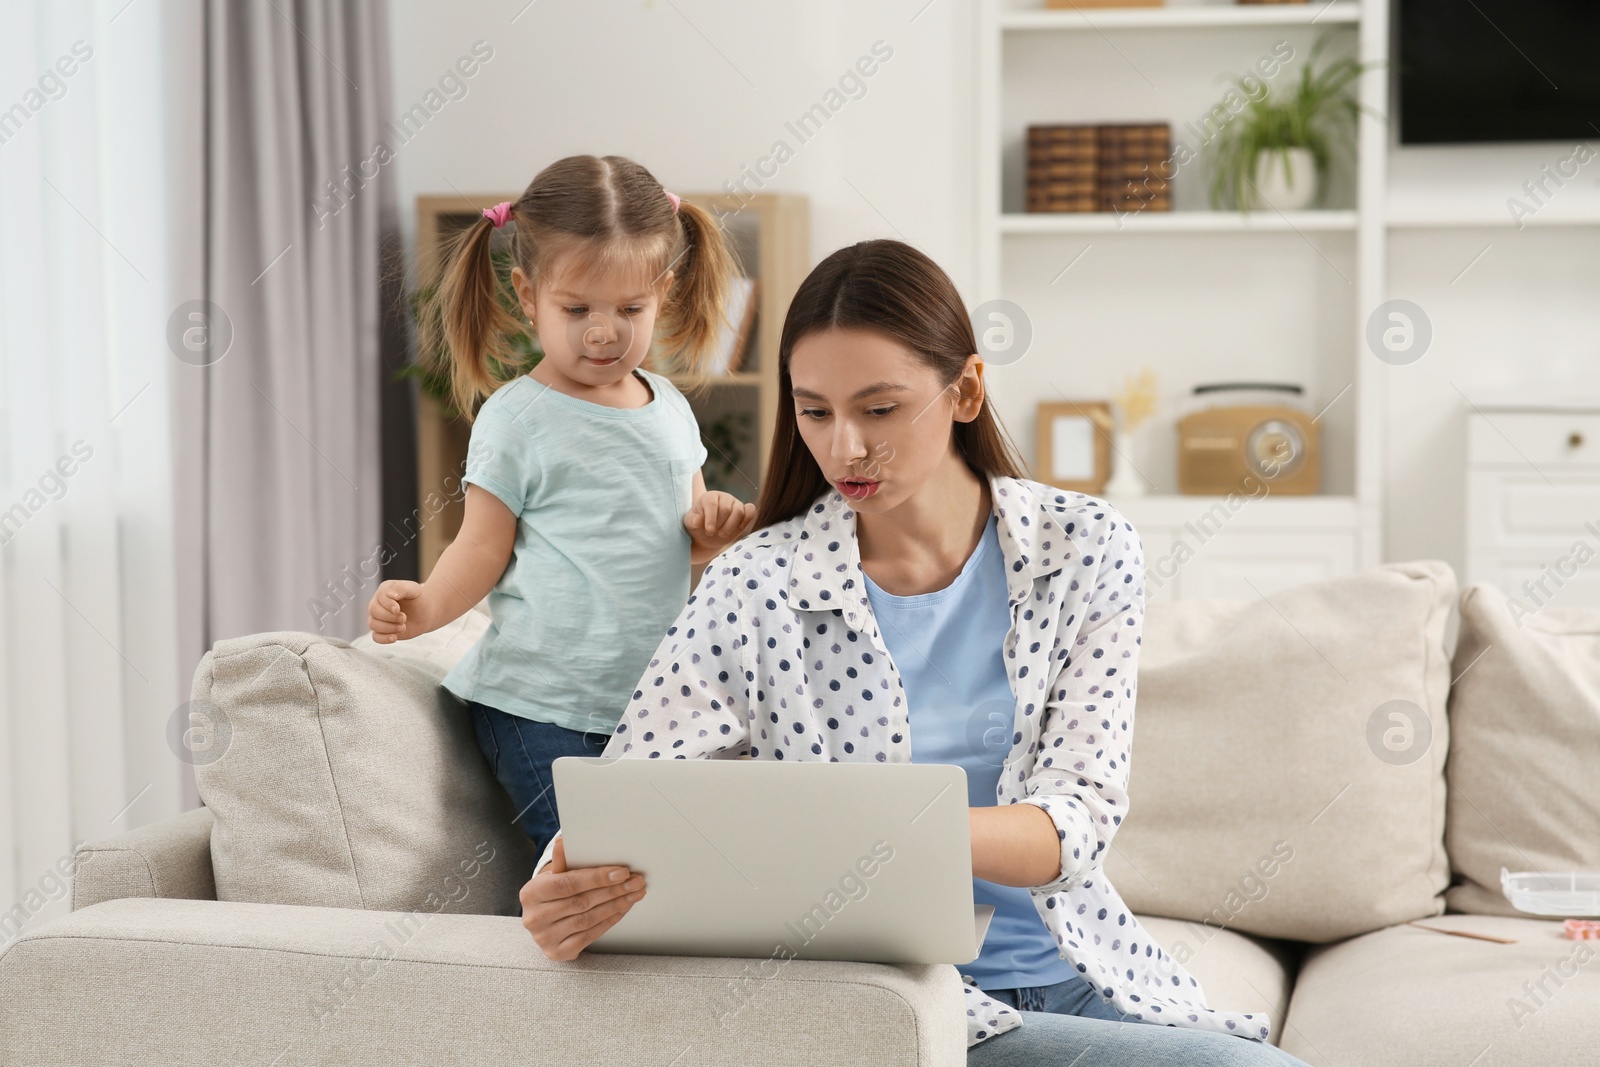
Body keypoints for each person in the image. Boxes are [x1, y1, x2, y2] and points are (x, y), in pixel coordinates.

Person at [516, 238, 1312, 1066]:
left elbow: (1074, 820)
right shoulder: (756, 581)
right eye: (815, 411)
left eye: (881, 409)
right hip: (906, 1006)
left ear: (965, 390)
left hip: (1085, 974)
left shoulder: (1084, 548)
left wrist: (870, 832)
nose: (846, 448)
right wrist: (560, 884)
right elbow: (635, 785)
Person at [365, 154, 756, 862]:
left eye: (629, 309)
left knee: (660, 869)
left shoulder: (669, 409)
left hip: (648, 701)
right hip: (538, 703)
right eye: (577, 310)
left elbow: (684, 542)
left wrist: (714, 530)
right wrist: (425, 607)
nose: (603, 332)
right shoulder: (518, 418)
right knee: (586, 869)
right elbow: (481, 546)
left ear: (662, 293)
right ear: (527, 294)